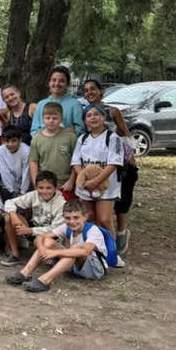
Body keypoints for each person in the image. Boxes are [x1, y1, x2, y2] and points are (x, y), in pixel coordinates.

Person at [82, 79, 138, 254]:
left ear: (101, 91)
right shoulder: (85, 113)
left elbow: (125, 134)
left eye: (93, 89)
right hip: (96, 162)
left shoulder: (112, 111)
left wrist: (131, 159)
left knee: (121, 200)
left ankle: (121, 233)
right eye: (86, 90)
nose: (89, 92)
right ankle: (100, 241)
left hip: (117, 161)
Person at [6, 200, 108, 292]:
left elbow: (85, 251)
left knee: (75, 248)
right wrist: (42, 249)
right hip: (75, 265)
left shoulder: (93, 230)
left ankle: (45, 280)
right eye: (68, 218)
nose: (72, 222)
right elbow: (40, 237)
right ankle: (25, 273)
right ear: (63, 217)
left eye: (76, 217)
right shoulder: (66, 227)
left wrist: (55, 253)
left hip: (95, 269)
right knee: (48, 241)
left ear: (85, 217)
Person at [71, 103, 124, 260]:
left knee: (105, 219)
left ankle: (112, 252)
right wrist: (83, 179)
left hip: (106, 185)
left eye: (96, 114)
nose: (93, 118)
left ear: (103, 117)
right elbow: (76, 161)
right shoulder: (83, 139)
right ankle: (95, 250)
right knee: (91, 217)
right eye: (88, 115)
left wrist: (95, 181)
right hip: (85, 186)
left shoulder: (112, 138)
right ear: (85, 120)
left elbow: (113, 163)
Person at [1, 170, 66, 266]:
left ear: (55, 188)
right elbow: (9, 202)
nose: (44, 191)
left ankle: (48, 255)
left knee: (43, 245)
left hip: (51, 235)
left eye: (49, 188)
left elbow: (55, 229)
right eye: (41, 188)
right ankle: (15, 254)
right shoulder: (33, 195)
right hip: (33, 228)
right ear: (36, 187)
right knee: (8, 216)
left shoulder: (62, 204)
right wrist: (13, 215)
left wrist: (30, 230)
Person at [29, 102, 77, 200]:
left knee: (67, 213)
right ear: (42, 119)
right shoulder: (36, 139)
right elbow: (34, 162)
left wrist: (71, 181)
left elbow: (76, 161)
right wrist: (36, 183)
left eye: (55, 118)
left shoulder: (71, 137)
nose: (51, 121)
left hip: (65, 185)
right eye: (47, 118)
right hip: (45, 186)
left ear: (61, 119)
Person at [30, 66, 84, 137]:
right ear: (49, 83)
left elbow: (81, 129)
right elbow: (34, 130)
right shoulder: (41, 104)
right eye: (54, 80)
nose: (57, 83)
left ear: (67, 84)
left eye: (61, 81)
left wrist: (74, 131)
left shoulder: (74, 104)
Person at [0, 126, 31, 196]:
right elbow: (4, 171)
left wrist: (23, 192)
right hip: (9, 185)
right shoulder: (1, 150)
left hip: (24, 184)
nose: (10, 144)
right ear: (3, 140)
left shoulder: (26, 151)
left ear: (20, 140)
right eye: (7, 141)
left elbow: (26, 172)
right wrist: (11, 190)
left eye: (14, 141)